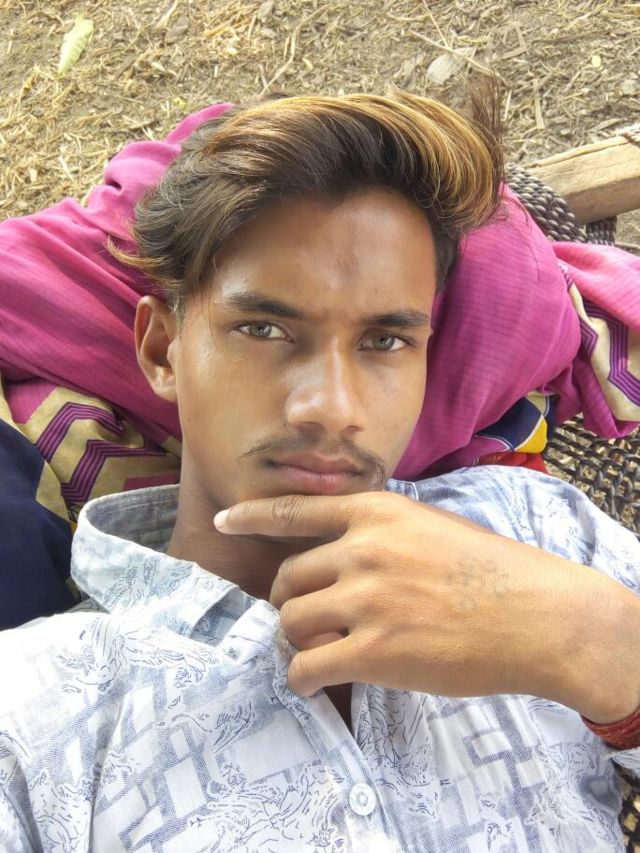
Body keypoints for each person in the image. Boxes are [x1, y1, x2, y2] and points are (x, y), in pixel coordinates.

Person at [1, 91, 639, 853]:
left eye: (385, 341)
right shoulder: (32, 713)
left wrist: (599, 646)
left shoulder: (541, 529)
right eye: (264, 328)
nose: (331, 407)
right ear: (163, 351)